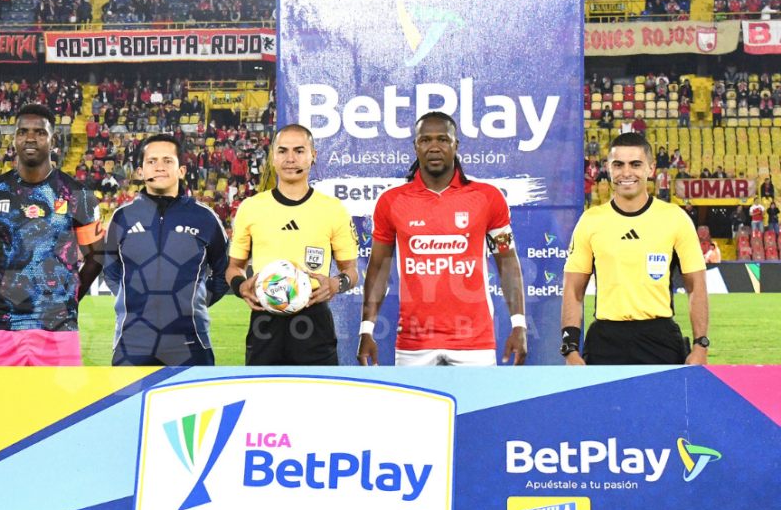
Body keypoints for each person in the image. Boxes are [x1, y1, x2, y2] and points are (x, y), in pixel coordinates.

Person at [358, 111, 527, 367]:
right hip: (414, 344)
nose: (434, 147)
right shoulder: (392, 201)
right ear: (415, 146)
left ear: (455, 145)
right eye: (426, 140)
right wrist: (366, 329)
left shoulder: (487, 197)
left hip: (475, 343)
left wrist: (519, 324)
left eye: (443, 139)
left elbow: (507, 263)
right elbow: (378, 268)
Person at [0, 105, 104, 367]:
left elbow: (97, 256)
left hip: (60, 327)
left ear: (53, 141)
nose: (30, 138)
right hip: (3, 325)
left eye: (39, 132)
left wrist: (69, 298)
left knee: (64, 396)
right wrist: (6, 290)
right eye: (22, 132)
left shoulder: (80, 195)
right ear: (14, 139)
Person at [561, 133, 708, 366]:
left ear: (651, 169)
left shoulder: (675, 218)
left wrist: (700, 345)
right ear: (608, 168)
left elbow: (696, 285)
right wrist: (570, 349)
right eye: (618, 165)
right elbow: (573, 290)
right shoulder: (590, 221)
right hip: (605, 342)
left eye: (636, 164)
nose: (626, 172)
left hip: (660, 340)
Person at [226, 124, 359, 366]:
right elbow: (234, 267)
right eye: (282, 151)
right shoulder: (251, 208)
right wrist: (239, 286)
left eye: (299, 151)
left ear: (313, 156)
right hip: (265, 319)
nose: (290, 158)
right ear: (273, 157)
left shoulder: (333, 209)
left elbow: (351, 271)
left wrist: (336, 284)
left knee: (318, 390)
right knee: (262, 390)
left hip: (314, 319)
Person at [102, 134, 229, 366]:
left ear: (181, 170)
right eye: (151, 161)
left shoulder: (204, 217)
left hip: (191, 342)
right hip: (132, 343)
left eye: (167, 161)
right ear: (140, 171)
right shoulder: (122, 217)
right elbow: (111, 272)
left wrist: (193, 302)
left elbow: (224, 272)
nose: (159, 167)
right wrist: (140, 304)